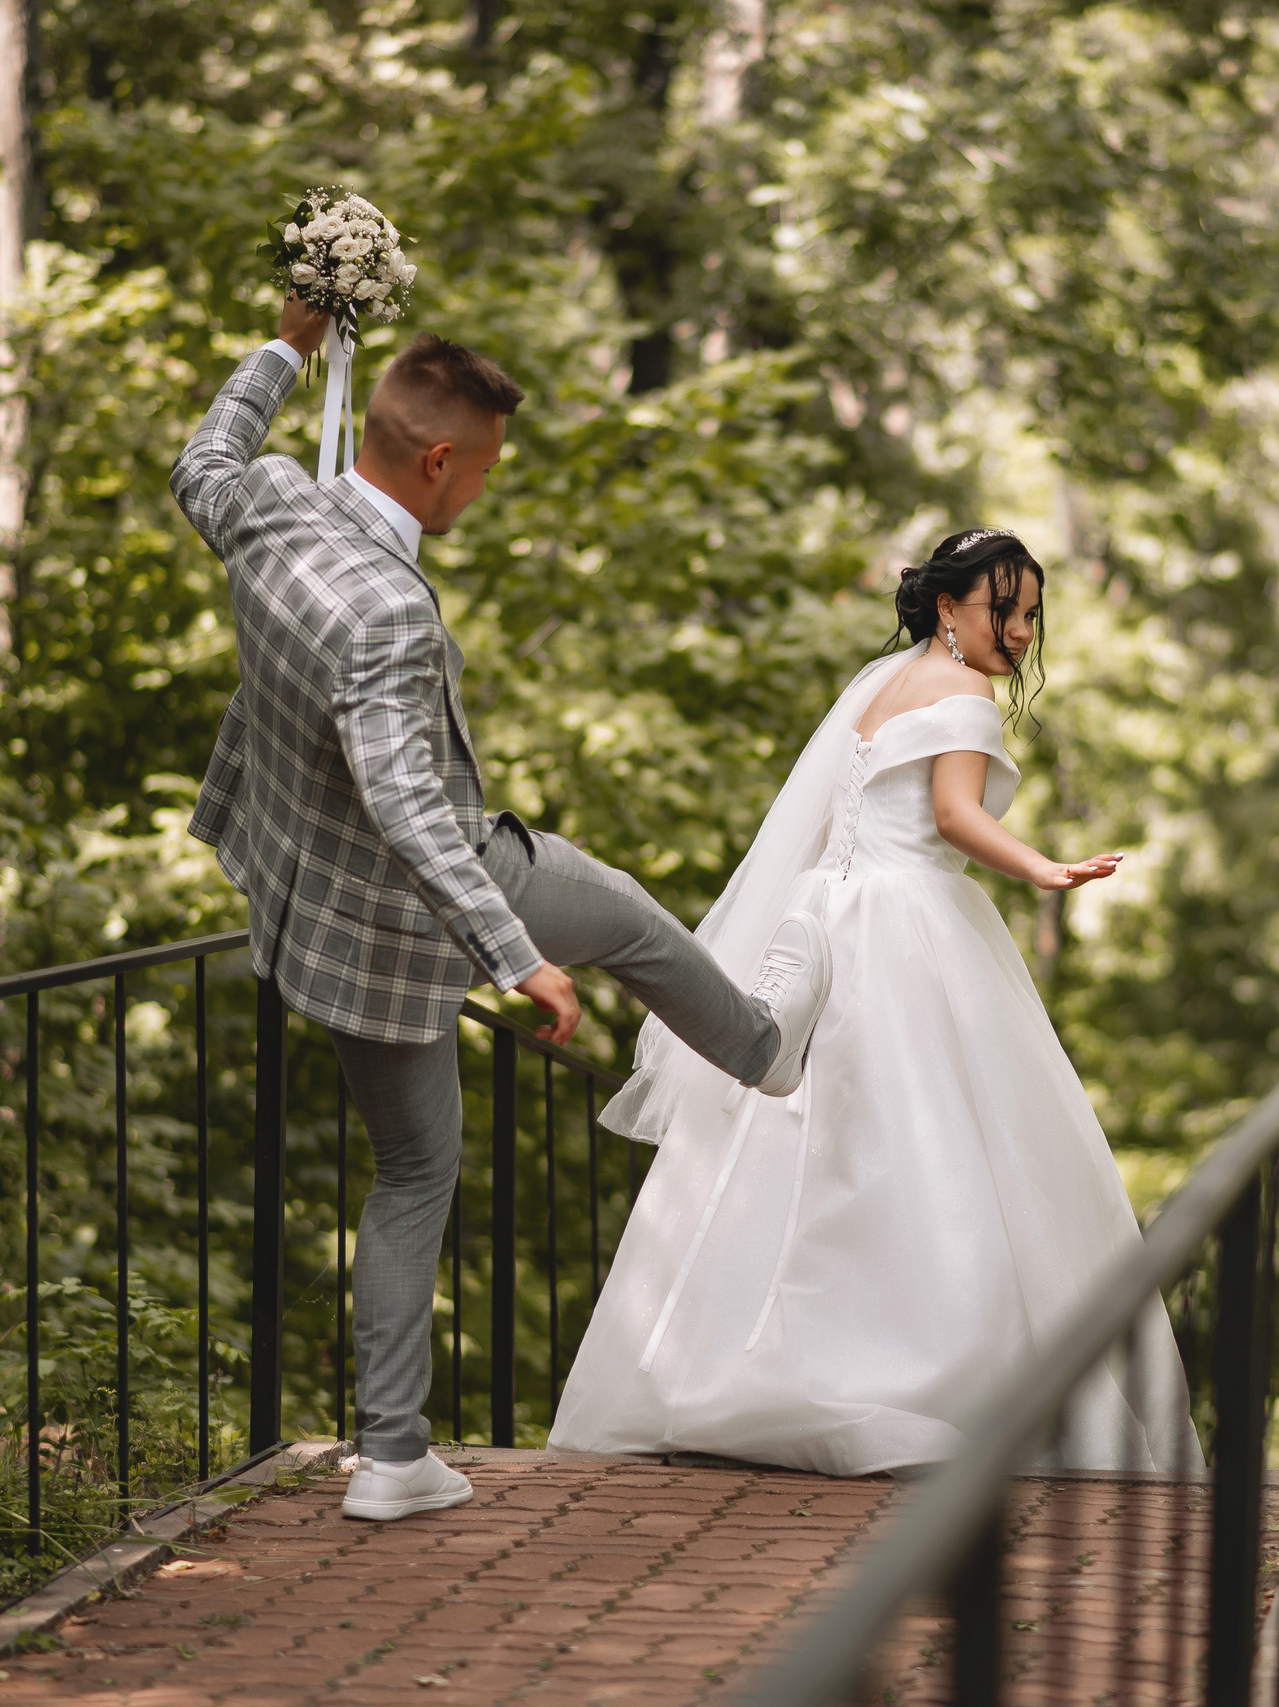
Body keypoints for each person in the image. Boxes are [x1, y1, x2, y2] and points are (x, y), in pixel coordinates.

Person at [170, 299, 835, 1520]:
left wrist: (287, 344)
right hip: (415, 898)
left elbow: (201, 460)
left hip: (309, 912)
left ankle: (390, 1459)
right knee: (627, 916)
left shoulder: (269, 500)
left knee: (413, 1170)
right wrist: (516, 955)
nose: (482, 488)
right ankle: (766, 1052)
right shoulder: (386, 612)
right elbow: (412, 810)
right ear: (436, 462)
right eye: (481, 469)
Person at [549, 527, 1199, 1477]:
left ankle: (725, 1363)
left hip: (827, 914)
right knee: (938, 1142)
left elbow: (841, 820)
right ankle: (922, 1374)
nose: (1017, 633)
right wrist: (1043, 867)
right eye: (1001, 610)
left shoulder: (879, 683)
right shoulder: (966, 689)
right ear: (948, 607)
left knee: (802, 1144)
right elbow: (953, 816)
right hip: (912, 924)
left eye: (1027, 615)